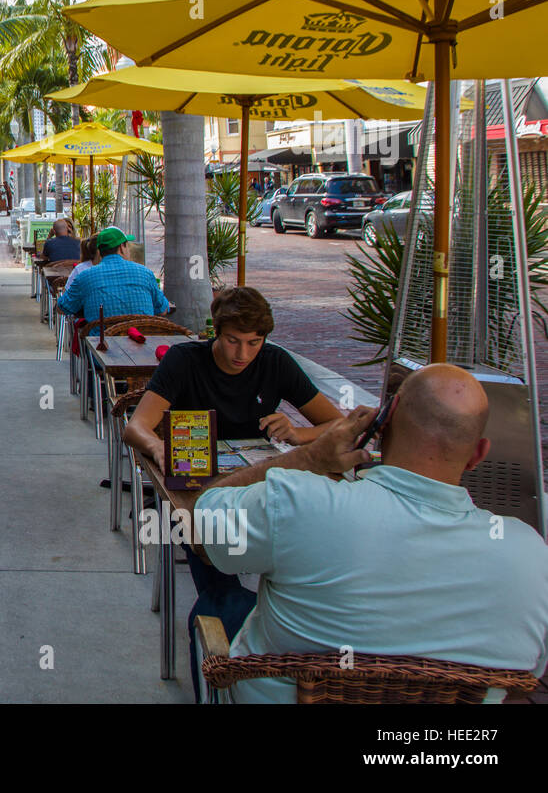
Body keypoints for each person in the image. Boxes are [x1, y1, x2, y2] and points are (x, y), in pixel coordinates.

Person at [195, 364, 548, 703]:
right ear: (478, 455)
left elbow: (201, 528)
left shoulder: (299, 503)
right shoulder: (532, 558)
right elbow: (526, 674)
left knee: (213, 610)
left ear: (383, 421)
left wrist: (309, 459)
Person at [121, 285, 343, 698]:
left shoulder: (276, 363)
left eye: (254, 343)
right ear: (215, 332)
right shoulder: (187, 360)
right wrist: (159, 448)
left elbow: (337, 425)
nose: (243, 354)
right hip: (198, 493)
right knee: (220, 579)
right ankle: (228, 665)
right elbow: (137, 427)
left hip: (268, 491)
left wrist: (298, 432)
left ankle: (267, 632)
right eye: (233, 341)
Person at [56, 226, 172, 331]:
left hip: (101, 349)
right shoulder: (145, 273)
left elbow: (62, 308)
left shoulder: (85, 277)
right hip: (143, 346)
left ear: (100, 252)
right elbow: (163, 309)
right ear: (122, 247)